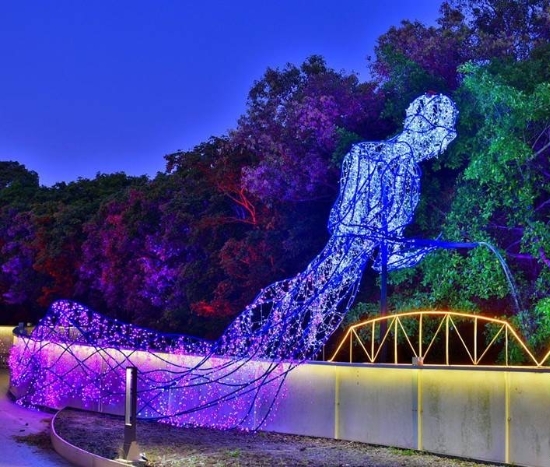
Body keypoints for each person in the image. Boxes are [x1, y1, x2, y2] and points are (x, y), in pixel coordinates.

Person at [10, 93, 458, 429]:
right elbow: (343, 222)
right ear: (423, 127)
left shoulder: (411, 176)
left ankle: (180, 393)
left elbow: (383, 257)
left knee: (271, 352)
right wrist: (380, 240)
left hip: (346, 282)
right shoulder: (366, 155)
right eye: (442, 134)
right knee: (248, 350)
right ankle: (143, 383)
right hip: (327, 272)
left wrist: (429, 248)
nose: (444, 144)